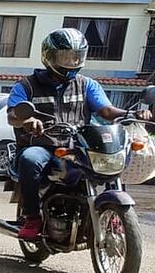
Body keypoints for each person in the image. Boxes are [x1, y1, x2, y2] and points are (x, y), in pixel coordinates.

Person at [8, 28, 151, 240]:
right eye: (65, 56)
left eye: (77, 56)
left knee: (114, 158)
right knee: (30, 159)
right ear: (49, 56)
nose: (72, 62)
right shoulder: (26, 85)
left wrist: (131, 113)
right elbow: (13, 115)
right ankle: (32, 217)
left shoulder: (87, 84)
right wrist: (27, 120)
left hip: (78, 144)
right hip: (43, 144)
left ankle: (113, 214)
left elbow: (106, 111)